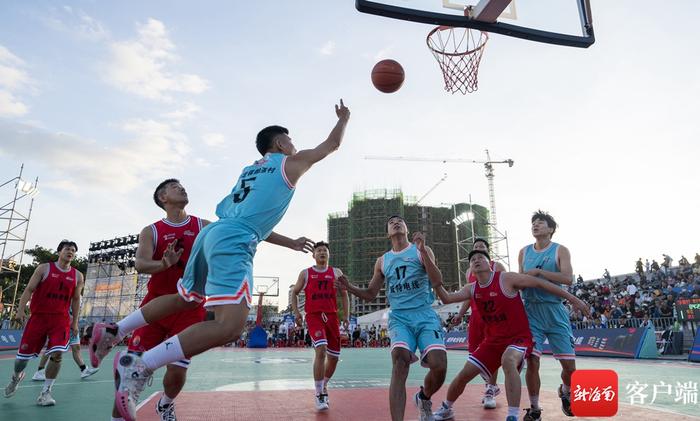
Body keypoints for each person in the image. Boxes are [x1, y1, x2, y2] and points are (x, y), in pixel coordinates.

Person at [90, 99, 350, 421]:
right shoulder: (289, 164)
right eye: (290, 141)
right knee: (229, 326)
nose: (294, 145)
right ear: (281, 143)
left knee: (186, 298)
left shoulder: (250, 170)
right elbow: (332, 144)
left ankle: (116, 329)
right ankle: (139, 366)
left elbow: (248, 217)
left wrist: (289, 242)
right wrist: (343, 118)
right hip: (235, 240)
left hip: (213, 233)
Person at [432, 250, 590, 421]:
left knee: (508, 360)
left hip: (518, 339)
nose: (476, 260)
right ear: (470, 269)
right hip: (492, 341)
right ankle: (446, 408)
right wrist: (435, 279)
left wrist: (573, 299)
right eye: (472, 260)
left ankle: (512, 416)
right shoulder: (471, 288)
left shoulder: (506, 278)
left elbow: (539, 283)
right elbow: (447, 298)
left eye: (481, 258)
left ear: (490, 263)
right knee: (464, 375)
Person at [106, 179, 211, 421]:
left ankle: (166, 403)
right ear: (163, 198)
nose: (183, 188)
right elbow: (141, 264)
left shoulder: (203, 226)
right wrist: (164, 264)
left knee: (177, 371)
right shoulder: (151, 230)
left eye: (183, 185)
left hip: (190, 307)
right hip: (155, 307)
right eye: (175, 186)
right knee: (130, 370)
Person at [336, 215, 447, 421]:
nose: (396, 222)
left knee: (439, 365)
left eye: (400, 221)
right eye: (391, 222)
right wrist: (349, 287)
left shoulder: (421, 250)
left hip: (424, 314)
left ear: (406, 228)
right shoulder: (383, 261)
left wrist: (423, 252)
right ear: (388, 233)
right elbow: (371, 293)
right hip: (399, 318)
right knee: (399, 361)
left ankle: (424, 397)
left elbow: (437, 280)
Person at [4, 240, 84, 406]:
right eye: (67, 249)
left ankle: (46, 392)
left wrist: (74, 322)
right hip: (38, 317)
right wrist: (19, 311)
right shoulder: (44, 268)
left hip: (60, 320)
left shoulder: (77, 276)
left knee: (57, 355)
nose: (71, 252)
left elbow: (76, 300)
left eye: (73, 251)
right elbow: (29, 289)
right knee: (21, 359)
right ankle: (16, 377)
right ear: (59, 251)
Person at [519, 211, 576, 420]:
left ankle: (566, 390)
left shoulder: (560, 250)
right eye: (533, 222)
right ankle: (534, 409)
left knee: (570, 368)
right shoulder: (524, 252)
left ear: (550, 229)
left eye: (540, 222)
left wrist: (539, 273)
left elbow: (568, 278)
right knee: (533, 361)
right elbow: (520, 278)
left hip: (555, 311)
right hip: (531, 311)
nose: (535, 225)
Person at [291, 241, 349, 411]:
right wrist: (297, 313)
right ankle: (319, 394)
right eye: (319, 250)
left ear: (329, 254)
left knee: (334, 358)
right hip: (314, 316)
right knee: (321, 349)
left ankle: (323, 384)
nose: (322, 252)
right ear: (314, 255)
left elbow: (344, 295)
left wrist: (346, 315)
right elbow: (295, 292)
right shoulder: (306, 273)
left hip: (332, 317)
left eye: (325, 250)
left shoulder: (336, 273)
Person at [448, 238, 506, 409]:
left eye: (482, 247)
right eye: (475, 248)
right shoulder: (469, 271)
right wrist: (460, 314)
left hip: (493, 316)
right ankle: (491, 384)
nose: (479, 249)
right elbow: (469, 294)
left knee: (491, 354)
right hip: (476, 317)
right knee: (475, 354)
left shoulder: (498, 267)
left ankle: (490, 389)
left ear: (488, 252)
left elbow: (506, 287)